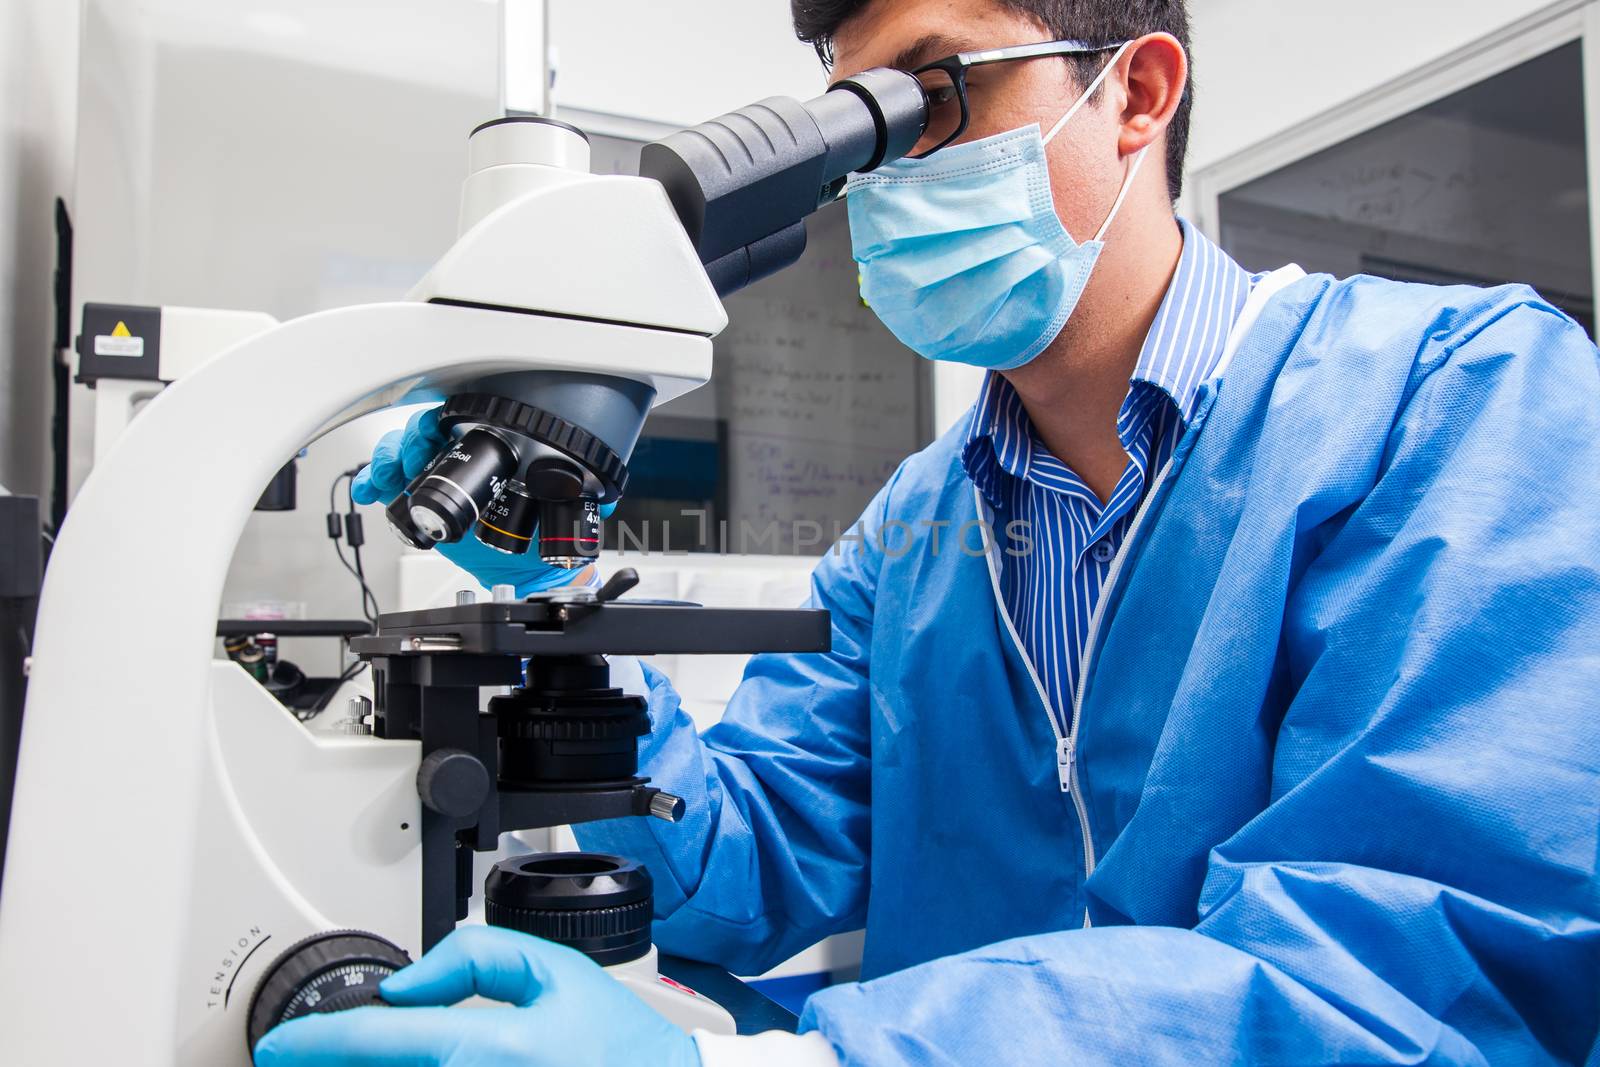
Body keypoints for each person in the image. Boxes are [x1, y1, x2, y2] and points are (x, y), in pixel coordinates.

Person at [254, 0, 1600, 1064]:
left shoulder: (1456, 401)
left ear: (1135, 92)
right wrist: (567, 600)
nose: (888, 178)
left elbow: (1419, 976)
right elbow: (753, 858)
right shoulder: (916, 527)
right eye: (862, 127)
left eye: (934, 94)